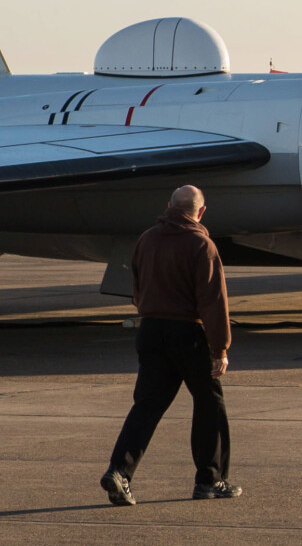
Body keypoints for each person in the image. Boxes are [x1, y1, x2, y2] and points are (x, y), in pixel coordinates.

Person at [102, 185, 240, 505]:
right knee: (209, 404)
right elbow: (213, 302)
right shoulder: (201, 245)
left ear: (169, 206)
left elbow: (136, 289)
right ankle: (210, 479)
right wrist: (220, 349)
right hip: (187, 334)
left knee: (147, 406)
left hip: (150, 330)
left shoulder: (146, 239)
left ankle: (119, 472)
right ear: (201, 211)